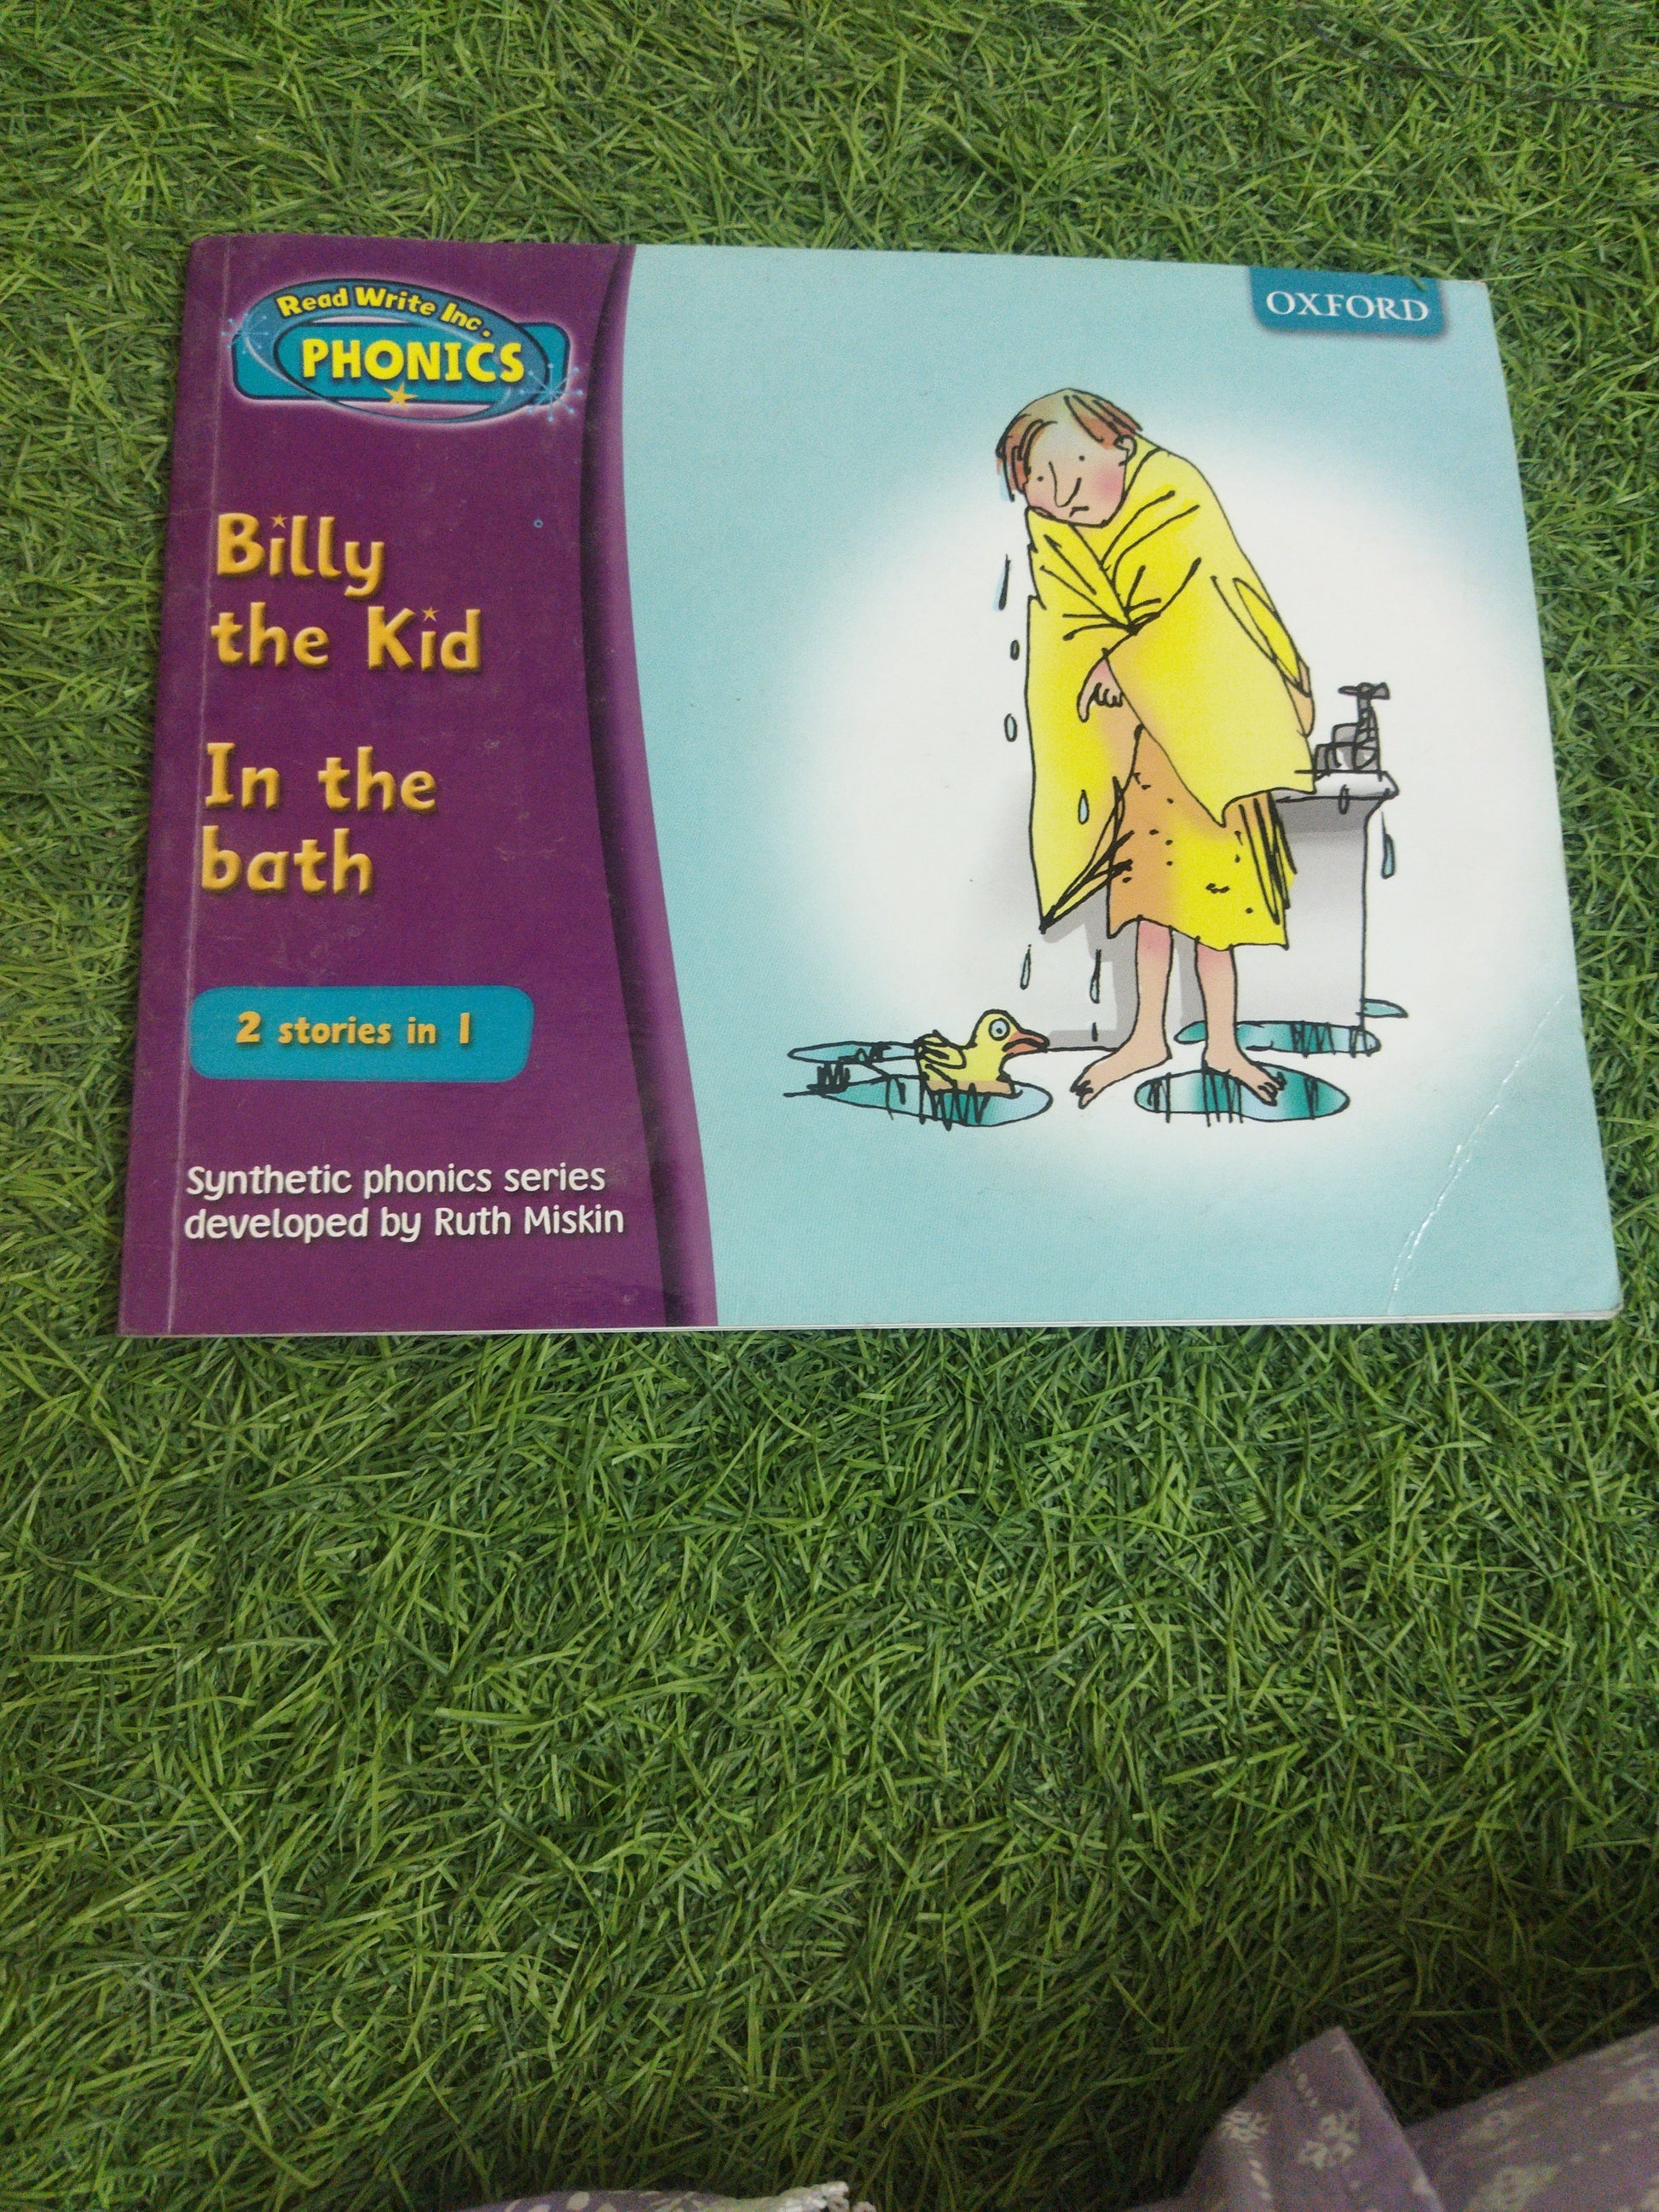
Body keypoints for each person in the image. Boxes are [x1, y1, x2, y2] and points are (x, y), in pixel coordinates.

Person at [997, 390, 1316, 1106]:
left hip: (1212, 748)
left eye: (1072, 477)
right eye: (1043, 491)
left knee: (1215, 921)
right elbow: (1067, 620)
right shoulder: (1055, 529)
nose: (1061, 501)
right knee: (1147, 906)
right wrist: (1103, 668)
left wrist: (1128, 660)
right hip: (1142, 753)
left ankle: (1224, 1043)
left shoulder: (1175, 493)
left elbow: (1210, 604)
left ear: (1118, 444)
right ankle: (1147, 1035)